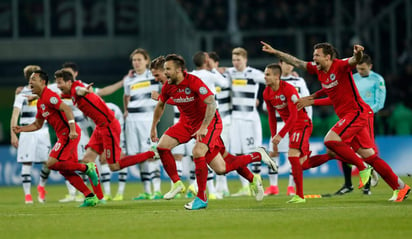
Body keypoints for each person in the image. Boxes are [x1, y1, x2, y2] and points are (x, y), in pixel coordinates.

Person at [261, 41, 410, 202]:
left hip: (357, 112)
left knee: (330, 140)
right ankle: (400, 187)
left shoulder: (340, 65)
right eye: (313, 55)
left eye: (317, 55)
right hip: (348, 116)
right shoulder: (319, 70)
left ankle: (362, 167)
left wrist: (358, 53)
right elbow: (297, 62)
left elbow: (354, 60)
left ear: (328, 57)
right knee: (369, 155)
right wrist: (275, 51)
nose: (314, 58)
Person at [150, 54, 276, 210]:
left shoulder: (194, 81)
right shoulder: (168, 86)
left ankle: (201, 198)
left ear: (178, 70)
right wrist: (154, 126)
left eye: (166, 70)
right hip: (187, 124)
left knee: (198, 152)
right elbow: (162, 104)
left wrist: (203, 128)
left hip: (210, 123)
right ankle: (256, 161)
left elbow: (211, 103)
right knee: (220, 165)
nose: (164, 73)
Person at [54, 69, 158, 201]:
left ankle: (151, 153)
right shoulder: (71, 90)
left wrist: (84, 91)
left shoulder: (77, 89)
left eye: (60, 83)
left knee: (114, 166)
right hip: (100, 127)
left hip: (108, 126)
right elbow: (61, 95)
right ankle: (97, 197)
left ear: (69, 82)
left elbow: (80, 91)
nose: (58, 86)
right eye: (57, 83)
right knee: (87, 160)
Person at [13, 70, 101, 207]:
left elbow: (67, 109)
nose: (30, 82)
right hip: (64, 135)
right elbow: (37, 124)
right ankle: (90, 196)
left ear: (42, 82)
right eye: (30, 79)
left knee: (51, 163)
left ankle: (87, 168)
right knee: (65, 170)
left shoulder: (49, 96)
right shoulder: (40, 102)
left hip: (68, 134)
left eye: (33, 79)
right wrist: (21, 129)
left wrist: (72, 129)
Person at [335, 53, 386, 196]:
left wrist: (368, 112)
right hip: (350, 117)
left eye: (363, 69)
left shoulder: (377, 79)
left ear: (370, 66)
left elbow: (380, 102)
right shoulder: (353, 78)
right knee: (342, 146)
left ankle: (367, 186)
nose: (360, 71)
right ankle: (347, 184)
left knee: (366, 149)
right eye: (358, 69)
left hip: (366, 118)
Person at [263, 63, 312, 203]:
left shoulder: (289, 89)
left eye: (267, 74)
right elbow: (271, 117)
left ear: (277, 76)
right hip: (291, 126)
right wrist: (274, 137)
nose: (264, 77)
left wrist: (280, 134)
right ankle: (331, 156)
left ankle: (299, 195)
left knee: (292, 156)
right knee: (303, 164)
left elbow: (294, 116)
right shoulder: (267, 92)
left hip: (301, 123)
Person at [224, 47, 265, 197]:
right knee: (237, 153)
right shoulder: (230, 73)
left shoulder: (253, 73)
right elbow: (219, 70)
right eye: (234, 60)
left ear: (245, 60)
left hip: (250, 118)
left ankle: (257, 183)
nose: (235, 63)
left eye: (238, 60)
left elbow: (271, 80)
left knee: (253, 150)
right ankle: (245, 186)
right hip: (236, 118)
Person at [123, 49, 162, 200]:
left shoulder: (154, 76)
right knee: (140, 156)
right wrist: (126, 110)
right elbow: (126, 96)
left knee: (151, 154)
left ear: (147, 60)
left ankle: (157, 190)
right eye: (134, 60)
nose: (136, 63)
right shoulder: (129, 79)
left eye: (139, 59)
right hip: (132, 120)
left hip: (147, 120)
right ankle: (147, 190)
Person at [10, 65, 51, 204]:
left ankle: (41, 186)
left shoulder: (45, 92)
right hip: (27, 131)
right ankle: (28, 196)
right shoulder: (21, 94)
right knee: (26, 162)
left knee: (49, 163)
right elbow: (15, 115)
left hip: (43, 131)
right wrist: (13, 134)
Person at [208, 51, 231, 197]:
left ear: (216, 63)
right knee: (212, 153)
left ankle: (223, 186)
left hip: (226, 121)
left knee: (222, 153)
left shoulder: (225, 77)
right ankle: (216, 188)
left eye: (210, 62)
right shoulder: (205, 78)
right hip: (211, 121)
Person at [100, 102, 128, 201]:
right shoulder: (88, 112)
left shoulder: (111, 108)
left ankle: (120, 193)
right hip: (102, 135)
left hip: (117, 135)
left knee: (121, 159)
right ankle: (107, 193)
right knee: (103, 160)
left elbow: (115, 124)